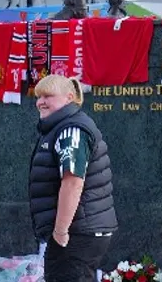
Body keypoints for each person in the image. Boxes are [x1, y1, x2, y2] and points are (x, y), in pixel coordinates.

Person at [29, 74, 116, 282]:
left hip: (76, 233)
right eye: (39, 96)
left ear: (69, 98)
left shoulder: (71, 130)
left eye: (48, 96)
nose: (40, 102)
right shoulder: (61, 127)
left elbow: (73, 182)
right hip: (79, 231)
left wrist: (60, 231)